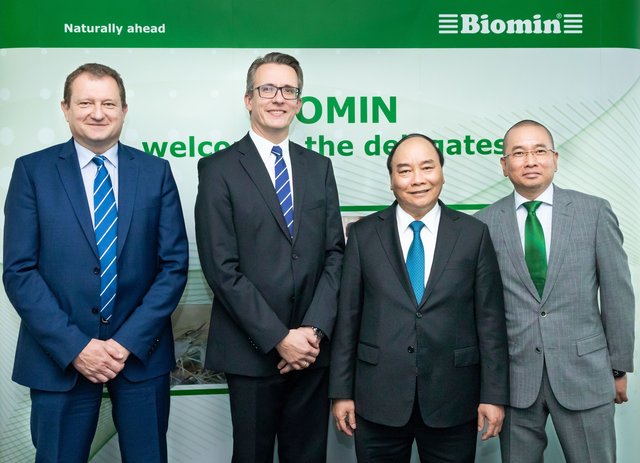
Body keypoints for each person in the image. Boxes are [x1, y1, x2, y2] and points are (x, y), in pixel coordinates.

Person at [3, 63, 189, 463]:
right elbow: (19, 271)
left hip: (141, 355)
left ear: (124, 110)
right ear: (65, 109)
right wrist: (76, 347)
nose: (97, 112)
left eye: (108, 102)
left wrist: (125, 343)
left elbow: (173, 266)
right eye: (85, 102)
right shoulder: (31, 172)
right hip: (60, 359)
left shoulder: (156, 173)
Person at [194, 52, 344, 463]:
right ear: (248, 99)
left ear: (299, 102)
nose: (278, 98)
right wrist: (280, 338)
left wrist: (311, 332)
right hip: (252, 349)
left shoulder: (319, 168)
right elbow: (220, 269)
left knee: (308, 456)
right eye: (267, 89)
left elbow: (335, 255)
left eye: (289, 90)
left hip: (312, 351)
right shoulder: (218, 169)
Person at [329, 133, 509, 462]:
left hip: (454, 399)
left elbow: (490, 321)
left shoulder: (473, 234)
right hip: (376, 399)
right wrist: (341, 392)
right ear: (391, 179)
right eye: (405, 170)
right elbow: (348, 319)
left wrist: (494, 395)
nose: (417, 180)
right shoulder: (362, 235)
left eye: (427, 167)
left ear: (441, 171)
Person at [475, 119, 635, 463]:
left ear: (555, 158)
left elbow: (617, 293)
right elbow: (481, 310)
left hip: (586, 374)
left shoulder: (594, 212)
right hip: (515, 381)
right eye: (518, 153)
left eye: (539, 151)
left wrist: (618, 368)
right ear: (504, 166)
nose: (530, 160)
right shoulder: (484, 223)